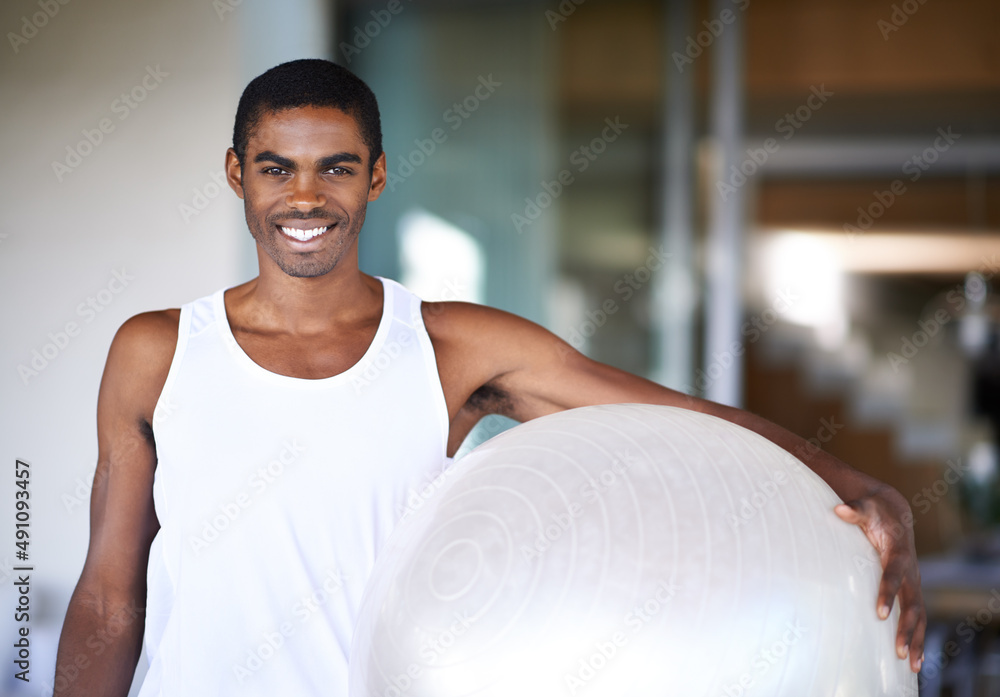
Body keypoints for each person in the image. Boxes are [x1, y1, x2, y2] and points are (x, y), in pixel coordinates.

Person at [52, 58, 925, 696]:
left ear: (377, 177)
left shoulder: (450, 347)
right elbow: (107, 594)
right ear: (239, 173)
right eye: (277, 167)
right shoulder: (155, 351)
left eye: (337, 168)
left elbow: (677, 423)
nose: (305, 197)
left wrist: (862, 487)